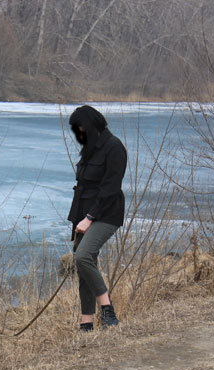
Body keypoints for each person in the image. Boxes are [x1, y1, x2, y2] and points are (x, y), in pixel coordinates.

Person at [67, 105, 127, 331]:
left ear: (92, 124)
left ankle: (108, 312)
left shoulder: (115, 148)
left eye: (80, 128)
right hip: (82, 212)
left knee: (83, 257)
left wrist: (89, 218)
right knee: (83, 265)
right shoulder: (89, 148)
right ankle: (87, 323)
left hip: (107, 213)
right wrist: (80, 218)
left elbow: (110, 189)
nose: (78, 133)